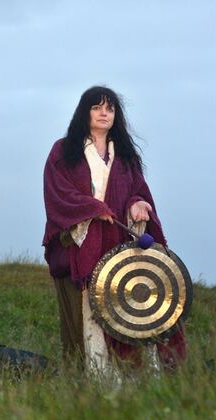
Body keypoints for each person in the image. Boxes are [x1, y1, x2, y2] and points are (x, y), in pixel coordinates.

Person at [42, 86, 187, 372]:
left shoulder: (124, 156)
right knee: (87, 319)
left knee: (127, 313)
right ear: (85, 112)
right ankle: (93, 382)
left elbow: (137, 191)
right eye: (97, 107)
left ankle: (133, 379)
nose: (104, 113)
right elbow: (57, 193)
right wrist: (93, 208)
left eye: (110, 108)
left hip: (119, 251)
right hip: (82, 247)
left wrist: (138, 203)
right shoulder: (63, 151)